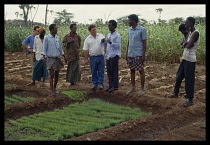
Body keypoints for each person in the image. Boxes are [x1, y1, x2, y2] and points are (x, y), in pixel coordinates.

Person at [168, 17, 200, 107]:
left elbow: (189, 45)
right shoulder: (189, 33)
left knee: (189, 80)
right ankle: (175, 93)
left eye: (186, 24)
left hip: (190, 60)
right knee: (178, 76)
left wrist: (187, 43)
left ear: (190, 23)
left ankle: (190, 100)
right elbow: (184, 44)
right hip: (185, 58)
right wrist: (187, 43)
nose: (185, 26)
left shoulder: (195, 33)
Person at [41, 24, 67, 96]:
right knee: (52, 74)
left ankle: (54, 88)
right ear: (52, 30)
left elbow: (60, 49)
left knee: (56, 74)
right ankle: (52, 89)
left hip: (57, 58)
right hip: (50, 58)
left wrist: (64, 56)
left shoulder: (57, 38)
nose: (57, 30)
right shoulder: (47, 38)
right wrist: (44, 59)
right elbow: (44, 49)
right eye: (56, 29)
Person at [126, 14, 147, 95]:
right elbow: (129, 42)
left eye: (129, 20)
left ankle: (142, 89)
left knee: (141, 71)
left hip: (138, 54)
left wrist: (143, 55)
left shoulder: (142, 29)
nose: (128, 22)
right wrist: (127, 53)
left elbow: (144, 43)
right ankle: (133, 87)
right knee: (132, 70)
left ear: (134, 21)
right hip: (131, 53)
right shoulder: (129, 30)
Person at [83, 24, 106, 90]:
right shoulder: (88, 39)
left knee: (101, 70)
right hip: (93, 57)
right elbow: (86, 49)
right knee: (93, 71)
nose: (95, 31)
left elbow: (105, 45)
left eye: (95, 29)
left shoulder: (101, 36)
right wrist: (86, 59)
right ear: (90, 31)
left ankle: (100, 83)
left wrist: (105, 42)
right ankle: (94, 83)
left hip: (101, 56)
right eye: (93, 30)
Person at [103, 20, 121, 92]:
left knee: (114, 71)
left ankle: (115, 86)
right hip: (108, 55)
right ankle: (110, 85)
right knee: (109, 71)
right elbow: (106, 44)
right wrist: (103, 41)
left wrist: (111, 42)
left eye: (110, 25)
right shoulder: (109, 34)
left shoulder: (117, 35)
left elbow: (118, 45)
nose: (109, 27)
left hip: (114, 55)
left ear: (114, 26)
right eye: (108, 25)